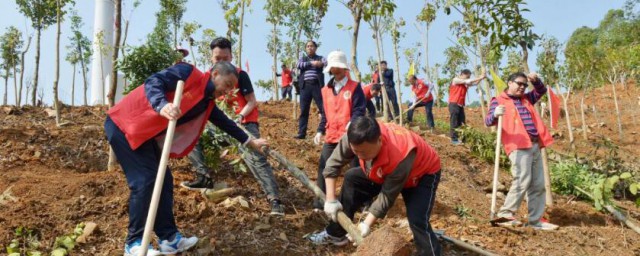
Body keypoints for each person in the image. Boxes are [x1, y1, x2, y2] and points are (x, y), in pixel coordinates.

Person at [105, 61, 268, 256]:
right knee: (144, 180)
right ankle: (134, 243)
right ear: (215, 74)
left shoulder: (206, 103)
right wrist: (162, 104)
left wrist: (251, 141)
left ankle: (169, 239)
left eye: (232, 88)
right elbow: (154, 81)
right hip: (124, 124)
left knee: (164, 180)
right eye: (227, 84)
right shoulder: (187, 73)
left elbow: (225, 123)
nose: (227, 91)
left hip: (145, 135)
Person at [307, 116, 442, 256]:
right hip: (384, 170)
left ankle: (430, 253)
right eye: (355, 152)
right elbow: (332, 165)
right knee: (352, 178)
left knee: (417, 219)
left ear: (380, 140)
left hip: (421, 174)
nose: (359, 156)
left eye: (363, 153)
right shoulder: (354, 137)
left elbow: (387, 196)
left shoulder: (400, 153)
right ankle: (336, 233)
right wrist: (330, 200)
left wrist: (366, 224)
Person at [181, 37, 285, 216]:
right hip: (220, 125)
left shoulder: (240, 75)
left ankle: (275, 200)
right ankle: (203, 177)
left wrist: (239, 116)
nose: (221, 61)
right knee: (191, 136)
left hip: (244, 123)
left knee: (255, 158)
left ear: (231, 57)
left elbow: (252, 101)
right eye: (217, 58)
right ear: (211, 58)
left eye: (225, 58)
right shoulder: (207, 78)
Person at [485, 72, 558, 231]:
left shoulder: (526, 99)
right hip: (517, 146)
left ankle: (535, 220)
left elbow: (541, 91)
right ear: (509, 83)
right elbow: (488, 120)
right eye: (519, 83)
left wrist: (536, 81)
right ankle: (505, 214)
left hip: (534, 145)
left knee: (538, 184)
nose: (522, 87)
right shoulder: (498, 101)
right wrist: (496, 113)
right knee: (522, 179)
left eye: (525, 85)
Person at [313, 50, 366, 211]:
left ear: (344, 69)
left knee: (356, 169)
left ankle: (361, 202)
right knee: (325, 166)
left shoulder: (355, 87)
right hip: (331, 135)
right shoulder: (325, 90)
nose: (335, 71)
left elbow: (359, 109)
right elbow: (325, 114)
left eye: (338, 68)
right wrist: (320, 130)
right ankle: (321, 202)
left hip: (349, 136)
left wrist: (352, 122)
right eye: (332, 68)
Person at [295, 40, 327, 139]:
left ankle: (324, 130)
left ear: (316, 48)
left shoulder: (321, 57)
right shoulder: (303, 58)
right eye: (308, 46)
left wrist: (319, 63)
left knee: (323, 109)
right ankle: (301, 133)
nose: (310, 48)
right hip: (305, 87)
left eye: (312, 46)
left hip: (317, 86)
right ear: (306, 48)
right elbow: (298, 65)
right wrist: (312, 63)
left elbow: (325, 63)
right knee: (304, 110)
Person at [449, 69, 486, 145]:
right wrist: (480, 77)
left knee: (462, 122)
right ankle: (454, 139)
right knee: (454, 122)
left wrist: (481, 77)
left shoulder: (465, 83)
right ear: (462, 74)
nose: (468, 78)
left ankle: (463, 139)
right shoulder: (455, 80)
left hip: (460, 104)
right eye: (467, 76)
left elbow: (475, 83)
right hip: (453, 103)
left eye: (469, 77)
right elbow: (468, 81)